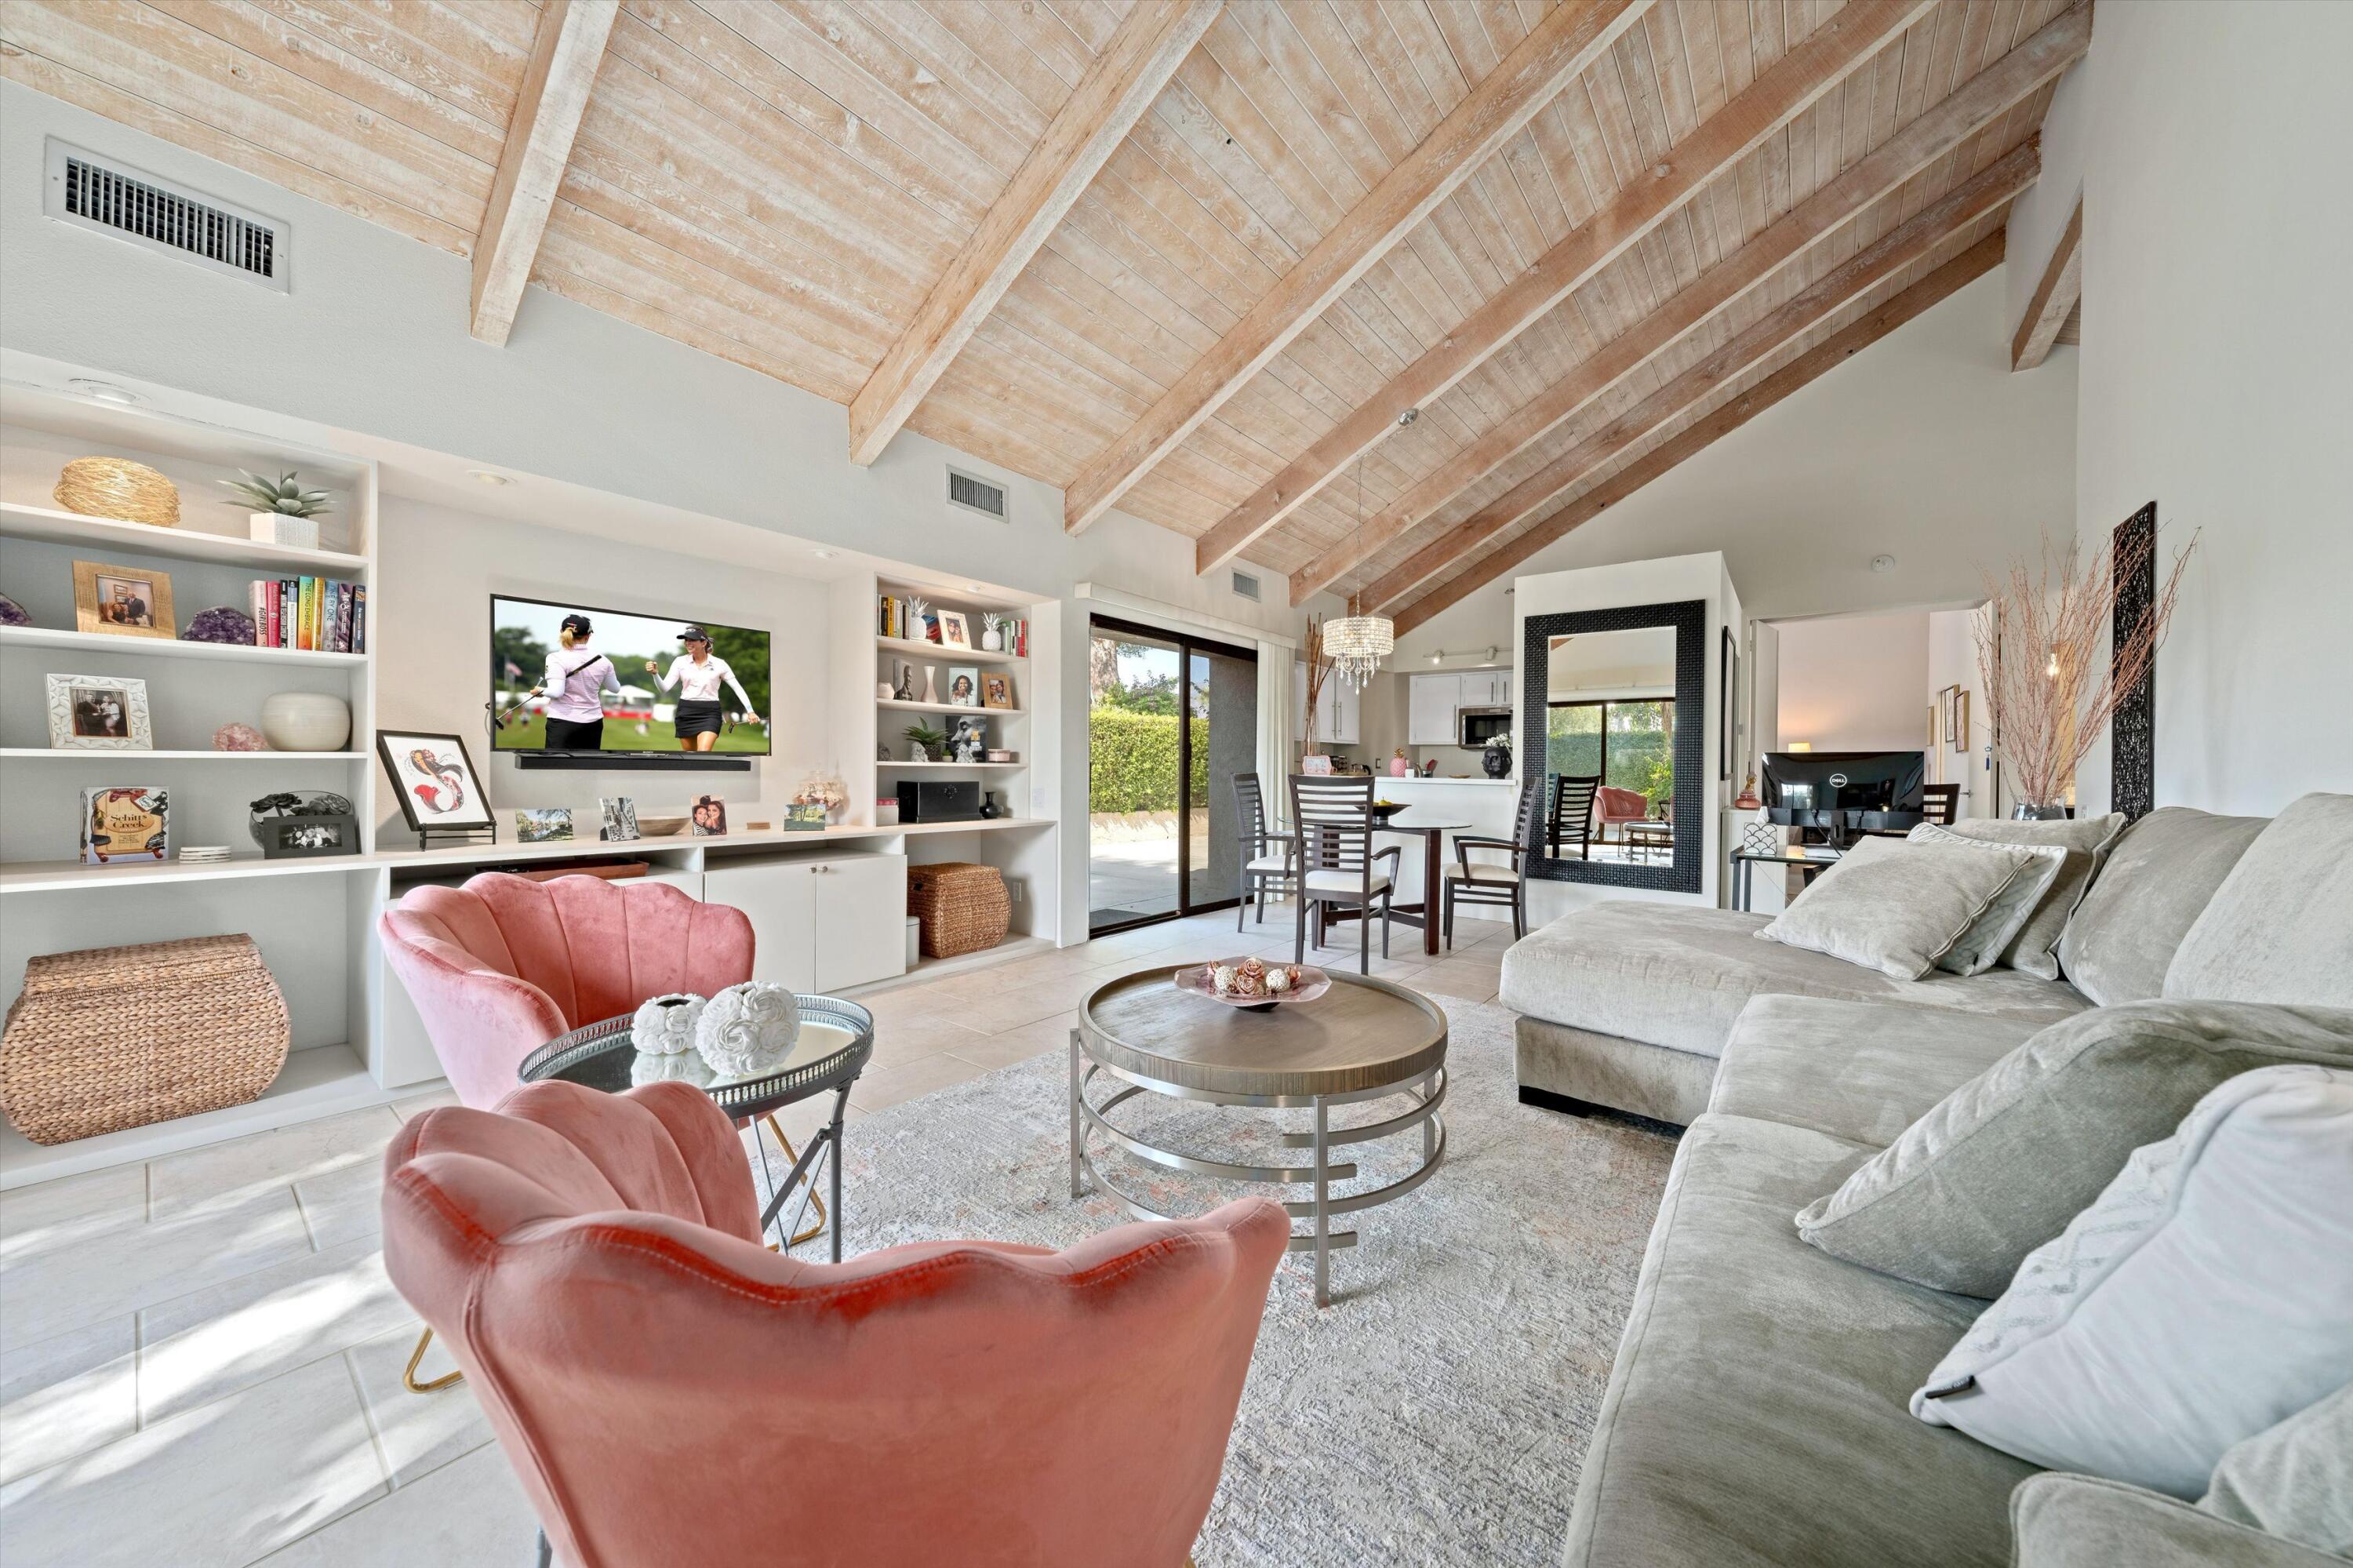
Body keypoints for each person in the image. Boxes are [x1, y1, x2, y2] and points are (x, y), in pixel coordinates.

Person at [646, 627, 761, 752]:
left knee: (703, 753)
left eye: (692, 640)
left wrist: (750, 711)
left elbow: (737, 688)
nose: (688, 643)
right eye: (686, 640)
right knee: (691, 757)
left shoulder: (720, 664)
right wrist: (655, 674)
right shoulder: (680, 662)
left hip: (710, 713)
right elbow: (664, 688)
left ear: (703, 643)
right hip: (686, 712)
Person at [533, 613, 620, 751]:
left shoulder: (555, 658)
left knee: (556, 769)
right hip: (593, 723)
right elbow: (615, 689)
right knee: (586, 769)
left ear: (562, 633)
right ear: (588, 636)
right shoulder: (603, 660)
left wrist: (541, 691)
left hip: (562, 722)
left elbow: (556, 692)